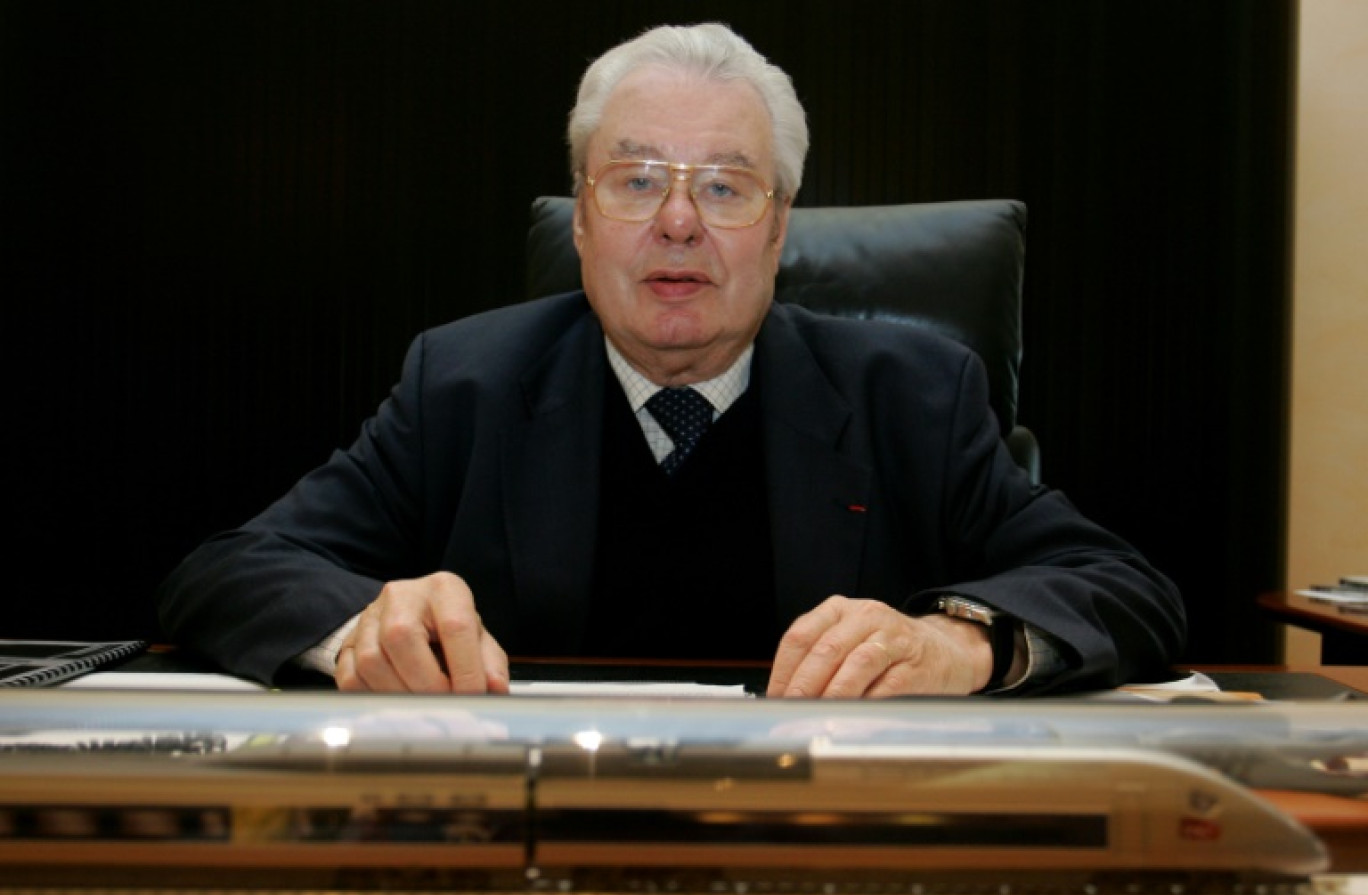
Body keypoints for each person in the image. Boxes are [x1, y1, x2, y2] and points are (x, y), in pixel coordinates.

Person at [157, 23, 1185, 697]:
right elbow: (226, 573)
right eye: (638, 180)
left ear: (781, 227)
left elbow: (1125, 586)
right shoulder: (462, 385)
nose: (680, 223)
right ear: (582, 217)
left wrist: (965, 645)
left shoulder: (913, 396)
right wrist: (359, 633)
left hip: (828, 846)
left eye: (728, 188)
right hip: (535, 846)